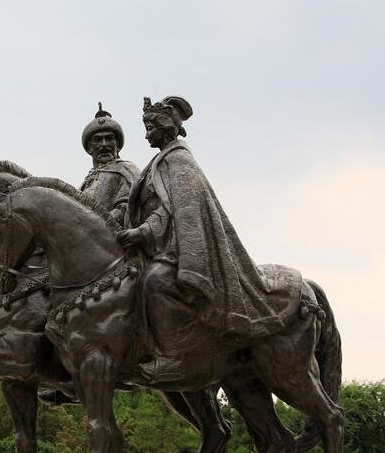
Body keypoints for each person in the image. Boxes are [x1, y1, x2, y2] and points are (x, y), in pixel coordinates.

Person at [119, 96, 300, 380]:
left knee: (155, 281)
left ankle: (173, 356)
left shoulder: (178, 161)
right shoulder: (160, 162)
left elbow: (175, 212)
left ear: (165, 127)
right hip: (157, 245)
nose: (146, 134)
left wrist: (142, 232)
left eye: (150, 127)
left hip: (175, 246)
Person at [79, 103, 141, 224]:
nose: (104, 144)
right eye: (97, 140)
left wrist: (100, 222)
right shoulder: (86, 183)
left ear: (117, 145)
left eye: (109, 138)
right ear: (89, 148)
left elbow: (129, 205)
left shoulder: (126, 170)